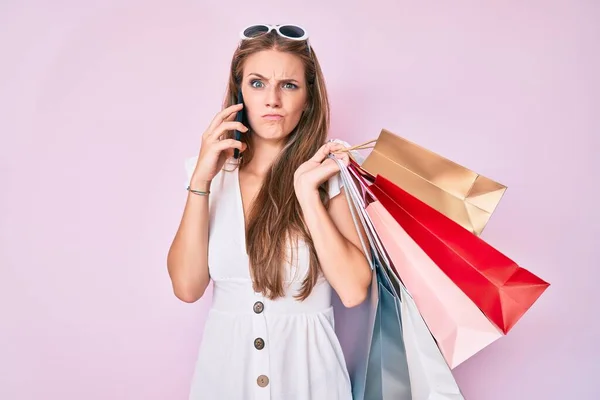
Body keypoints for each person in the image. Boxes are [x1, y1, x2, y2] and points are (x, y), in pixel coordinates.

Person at [167, 24, 372, 400]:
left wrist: (307, 195)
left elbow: (354, 289)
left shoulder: (328, 175)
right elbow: (187, 287)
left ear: (308, 98)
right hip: (224, 380)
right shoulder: (208, 175)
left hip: (311, 381)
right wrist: (200, 180)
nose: (272, 99)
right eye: (258, 83)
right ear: (239, 92)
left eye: (289, 85)